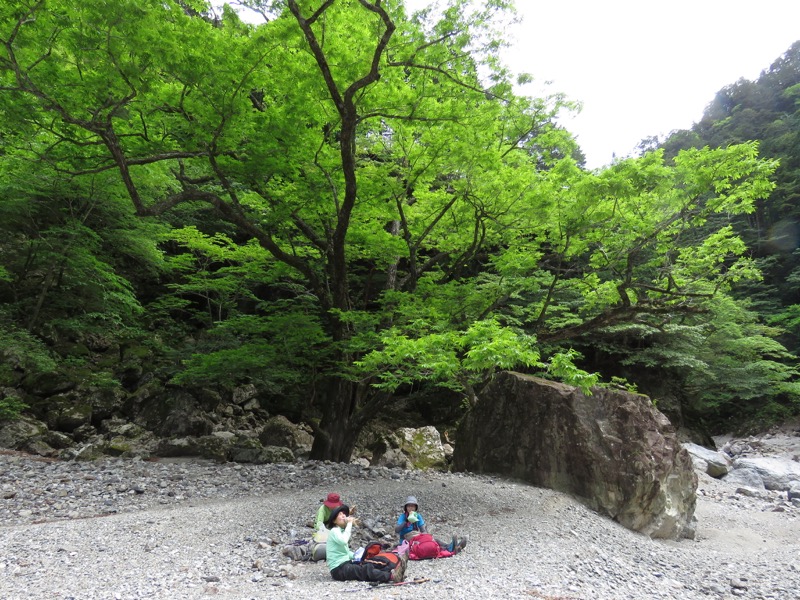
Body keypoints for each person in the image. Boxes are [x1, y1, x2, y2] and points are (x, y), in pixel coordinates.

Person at [326, 504, 408, 583]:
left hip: (345, 564)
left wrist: (357, 555)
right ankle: (391, 576)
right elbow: (343, 541)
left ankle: (395, 571)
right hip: (338, 569)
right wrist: (350, 524)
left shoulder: (341, 531)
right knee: (364, 571)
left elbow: (345, 552)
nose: (344, 516)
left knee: (368, 564)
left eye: (344, 514)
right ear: (334, 520)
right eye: (340, 514)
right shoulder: (334, 531)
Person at [395, 495, 467, 558]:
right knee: (426, 543)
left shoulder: (418, 516)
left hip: (417, 536)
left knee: (434, 540)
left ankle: (451, 546)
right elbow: (397, 530)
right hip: (406, 540)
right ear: (406, 507)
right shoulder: (403, 517)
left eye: (413, 506)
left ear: (415, 507)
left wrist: (426, 537)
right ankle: (451, 548)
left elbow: (423, 530)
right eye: (409, 506)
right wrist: (405, 522)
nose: (411, 508)